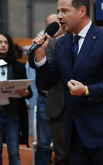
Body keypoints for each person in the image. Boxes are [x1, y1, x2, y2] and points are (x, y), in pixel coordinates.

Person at [32, 0, 103, 164]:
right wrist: (40, 56)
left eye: (64, 11)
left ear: (82, 11)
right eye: (58, 11)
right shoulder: (61, 43)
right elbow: (47, 81)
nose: (59, 16)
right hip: (75, 135)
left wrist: (86, 90)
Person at [0, 31, 33, 165]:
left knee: (14, 152)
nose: (3, 45)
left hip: (13, 112)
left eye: (5, 42)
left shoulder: (19, 66)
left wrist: (24, 93)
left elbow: (29, 92)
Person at [29, 13, 68, 165]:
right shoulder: (45, 43)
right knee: (44, 144)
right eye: (50, 24)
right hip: (46, 99)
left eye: (57, 22)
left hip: (66, 98)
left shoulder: (70, 42)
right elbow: (34, 63)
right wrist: (40, 48)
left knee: (67, 146)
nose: (55, 26)